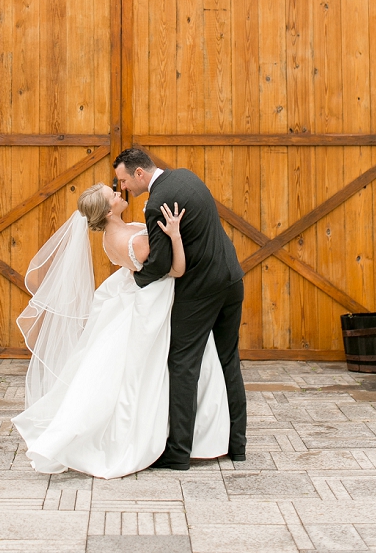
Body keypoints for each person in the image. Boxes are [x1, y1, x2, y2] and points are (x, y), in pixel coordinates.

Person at [13, 182, 229, 479]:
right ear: (108, 210)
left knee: (123, 371)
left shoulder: (115, 235)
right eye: (112, 195)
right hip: (152, 302)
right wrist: (176, 236)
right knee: (145, 373)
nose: (118, 194)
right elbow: (176, 270)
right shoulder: (135, 241)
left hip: (135, 297)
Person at [114, 148, 246, 468]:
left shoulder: (158, 203)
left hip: (201, 290)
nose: (123, 187)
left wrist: (134, 278)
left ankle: (178, 452)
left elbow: (159, 263)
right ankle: (237, 446)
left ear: (140, 174)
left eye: (124, 180)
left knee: (183, 364)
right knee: (229, 360)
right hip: (231, 278)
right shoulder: (186, 176)